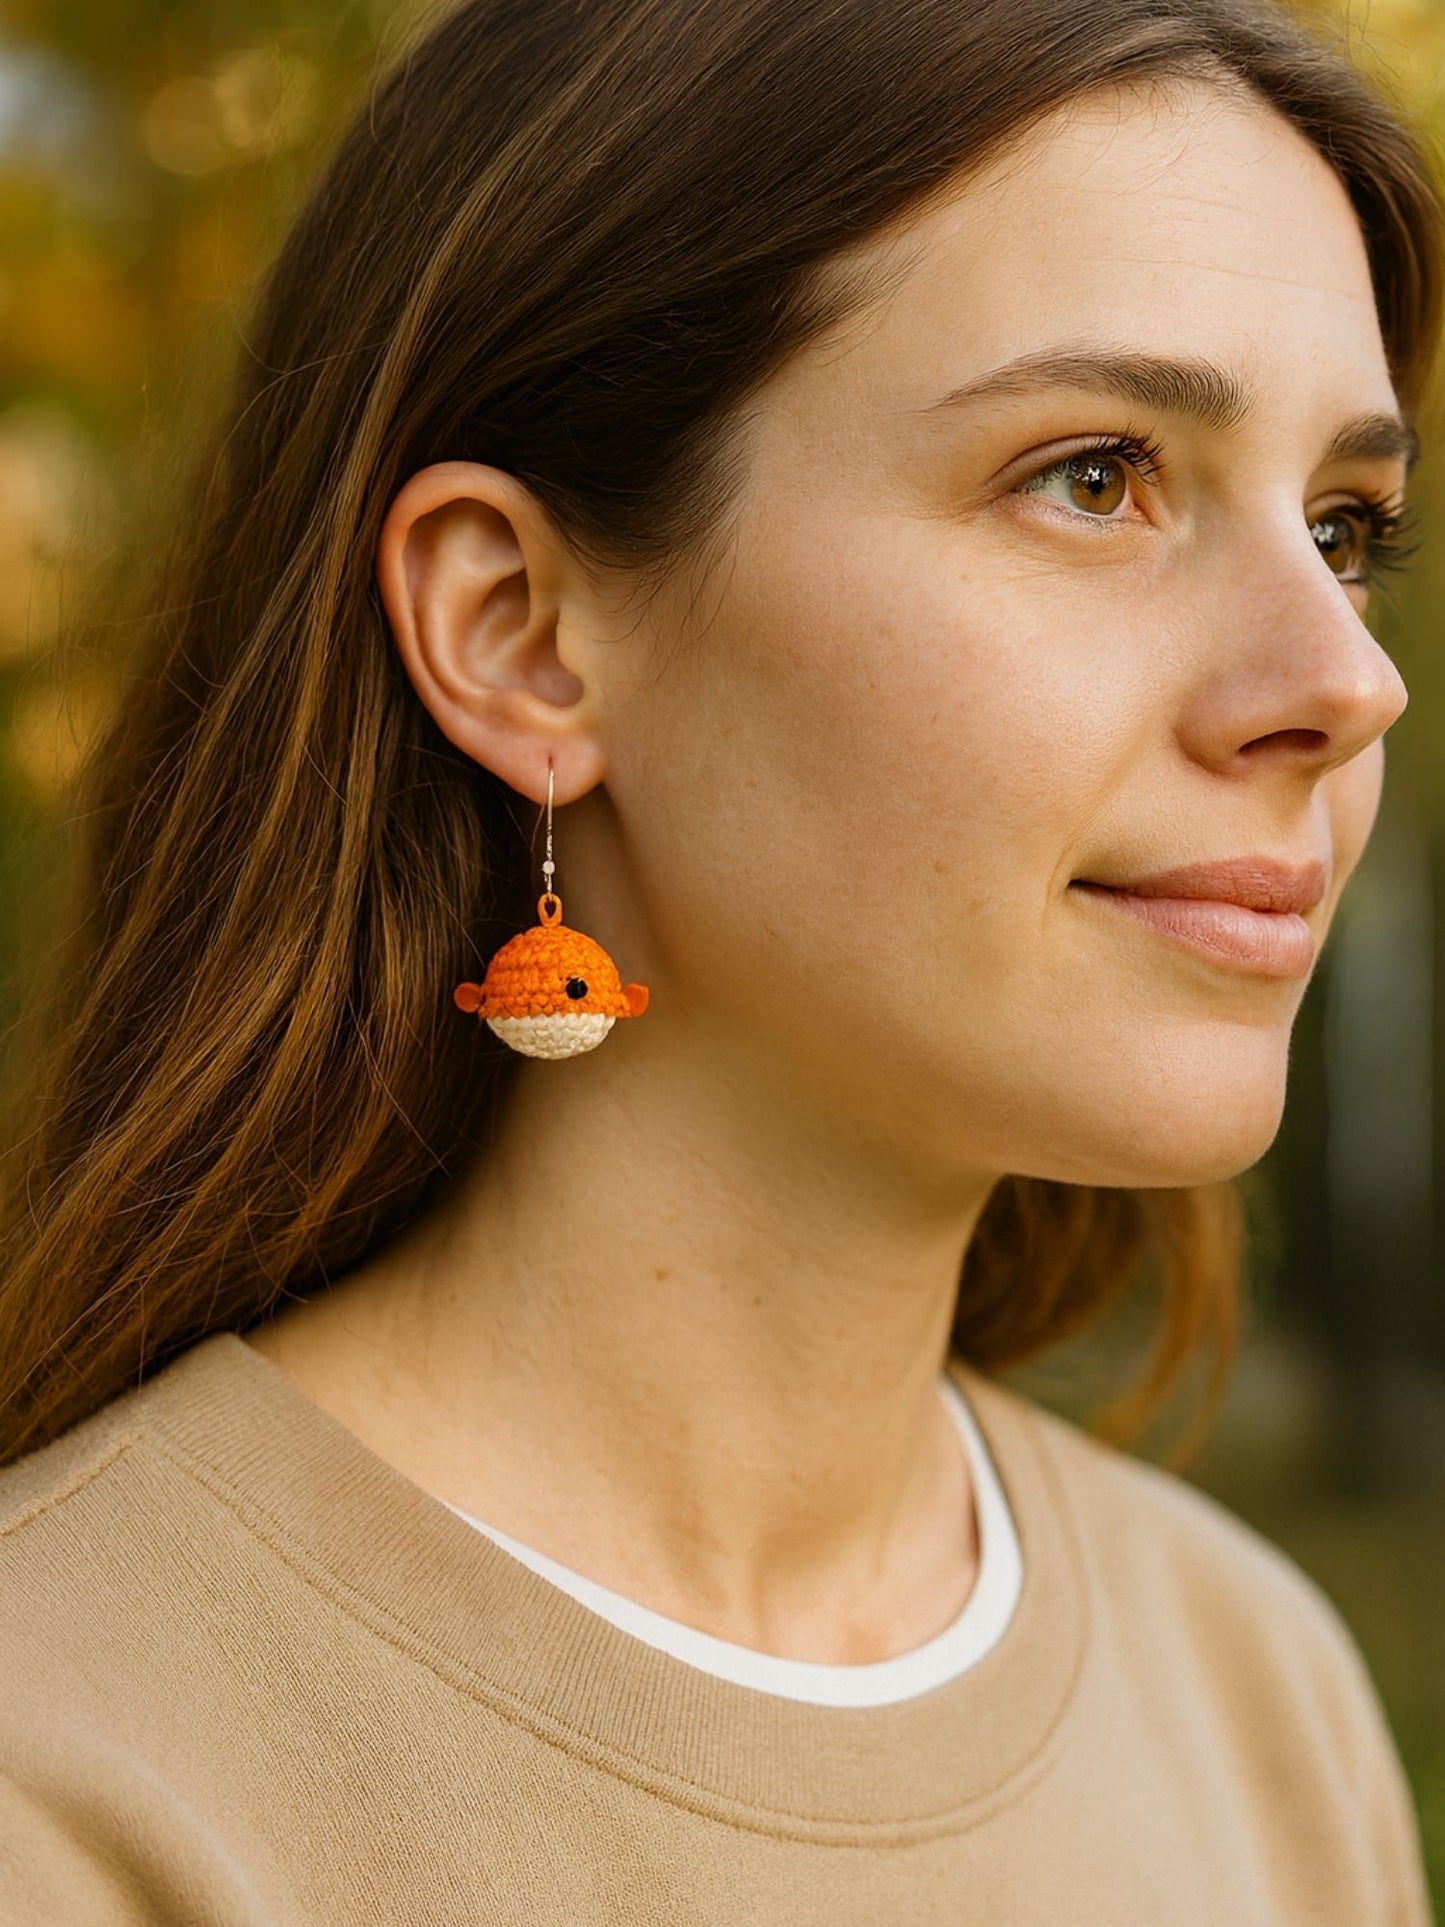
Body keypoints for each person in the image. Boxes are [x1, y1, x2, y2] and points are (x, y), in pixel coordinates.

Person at [0, 0, 1439, 1917]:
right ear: (518, 633)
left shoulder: (1257, 1699)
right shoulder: (66, 1782)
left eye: (1344, 526)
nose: (1346, 680)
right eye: (1094, 476)